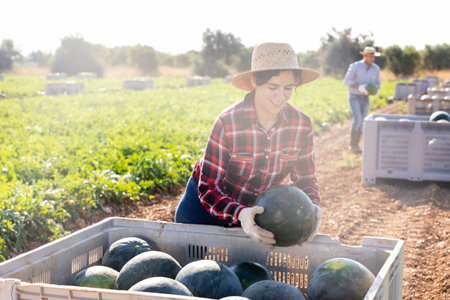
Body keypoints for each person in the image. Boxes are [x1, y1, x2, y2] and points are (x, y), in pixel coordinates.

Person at [174, 42, 322, 248]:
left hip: (256, 212)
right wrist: (240, 213)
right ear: (255, 82)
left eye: (288, 88)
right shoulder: (229, 122)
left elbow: (305, 180)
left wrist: (313, 208)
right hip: (205, 205)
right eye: (273, 87)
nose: (281, 96)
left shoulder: (301, 125)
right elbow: (209, 186)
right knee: (193, 266)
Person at [344, 46, 381, 153]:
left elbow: (378, 83)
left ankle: (356, 146)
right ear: (364, 56)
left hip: (365, 98)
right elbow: (347, 81)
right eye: (370, 56)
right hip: (354, 96)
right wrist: (359, 87)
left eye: (373, 57)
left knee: (363, 121)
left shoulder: (376, 69)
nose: (372, 59)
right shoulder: (355, 66)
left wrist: (375, 90)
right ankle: (352, 145)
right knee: (358, 120)